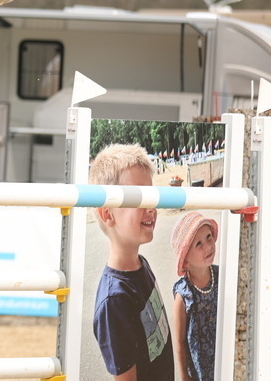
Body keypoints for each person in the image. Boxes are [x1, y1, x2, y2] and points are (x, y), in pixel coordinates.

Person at [90, 143, 174, 380]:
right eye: (138, 198)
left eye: (150, 196)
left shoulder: (141, 264)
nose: (151, 207)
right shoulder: (114, 301)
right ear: (108, 213)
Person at [170, 211, 219, 380]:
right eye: (198, 243)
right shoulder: (183, 296)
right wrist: (184, 375)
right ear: (185, 260)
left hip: (225, 357)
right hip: (201, 371)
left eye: (208, 237)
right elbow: (180, 342)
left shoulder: (222, 276)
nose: (208, 245)